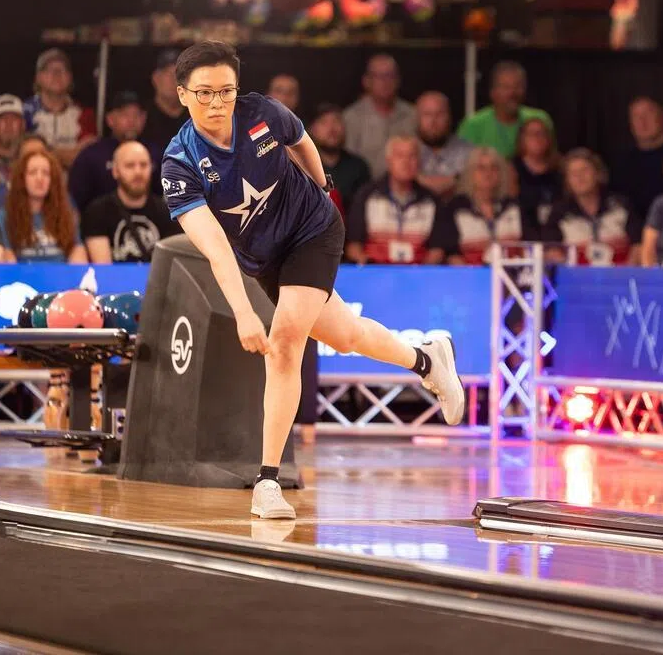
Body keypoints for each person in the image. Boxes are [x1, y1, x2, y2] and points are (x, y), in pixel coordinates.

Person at [159, 41, 464, 521]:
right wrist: (243, 312)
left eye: (226, 91)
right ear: (181, 95)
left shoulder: (261, 113)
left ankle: (267, 482)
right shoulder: (180, 164)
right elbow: (216, 248)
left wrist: (322, 186)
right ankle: (427, 360)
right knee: (345, 334)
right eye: (204, 93)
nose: (217, 103)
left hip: (313, 230)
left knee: (284, 341)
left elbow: (300, 139)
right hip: (265, 258)